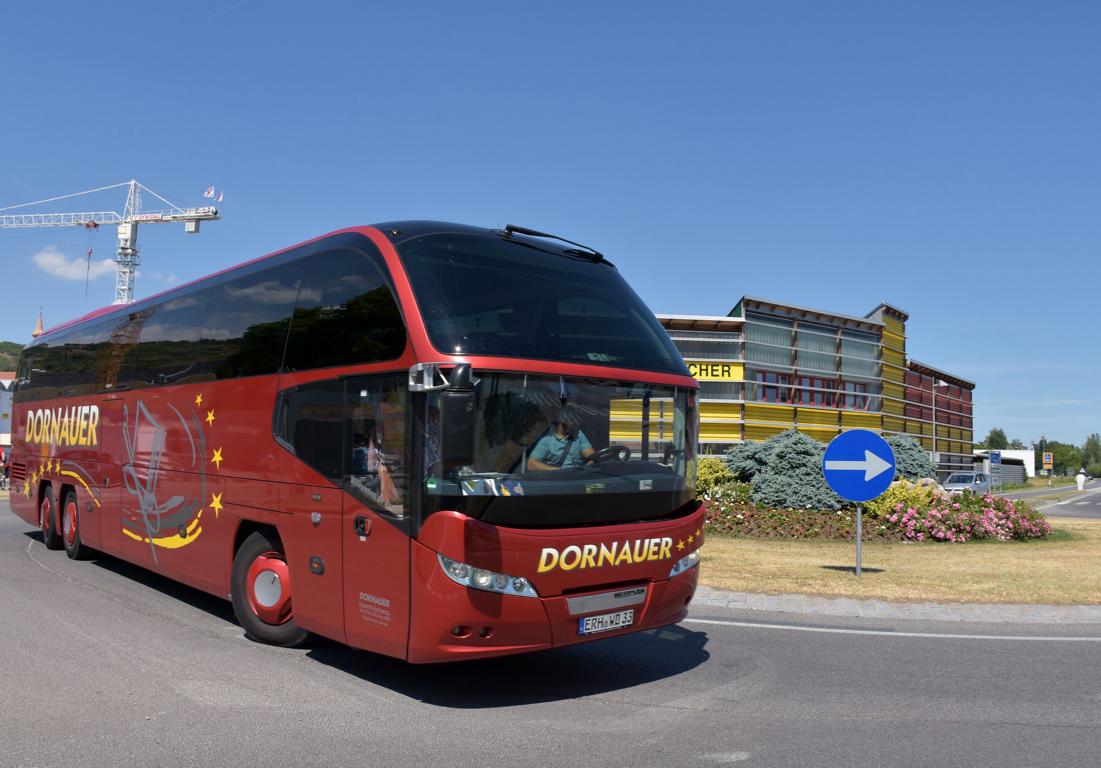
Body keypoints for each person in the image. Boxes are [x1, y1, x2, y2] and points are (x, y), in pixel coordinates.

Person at [527, 406, 595, 471]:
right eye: (568, 413)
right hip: (557, 478)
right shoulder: (547, 439)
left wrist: (585, 468)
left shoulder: (578, 433)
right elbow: (532, 464)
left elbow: (591, 457)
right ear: (559, 417)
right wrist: (560, 471)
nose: (573, 417)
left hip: (578, 476)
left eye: (573, 414)